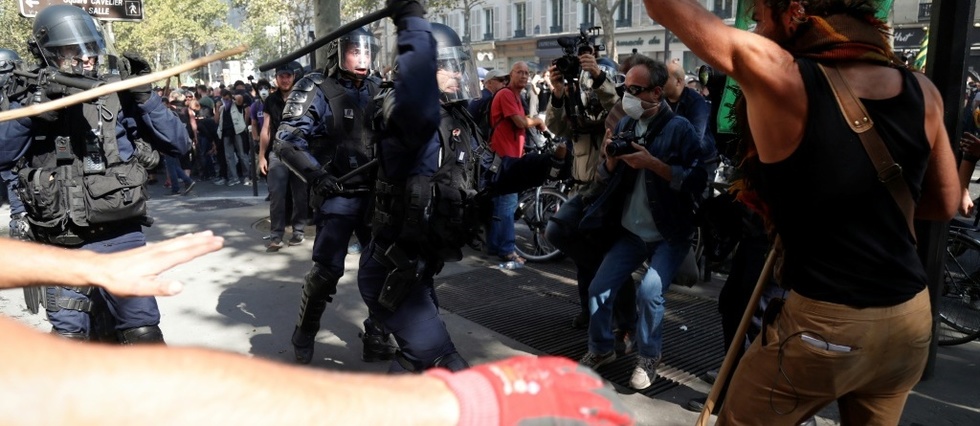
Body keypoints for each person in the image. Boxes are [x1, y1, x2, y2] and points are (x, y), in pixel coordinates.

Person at [643, 1, 960, 423]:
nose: (754, 28)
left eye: (757, 17)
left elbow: (661, 6)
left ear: (794, 12)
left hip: (826, 325)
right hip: (910, 320)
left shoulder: (784, 75)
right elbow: (944, 204)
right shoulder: (924, 90)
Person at [0, 229, 631, 425]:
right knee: (326, 275)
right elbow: (77, 385)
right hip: (341, 213)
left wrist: (83, 264)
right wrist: (441, 401)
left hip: (401, 237)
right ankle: (306, 336)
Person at [358, 12, 568, 373]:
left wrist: (550, 161)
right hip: (394, 269)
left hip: (420, 268)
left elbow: (494, 172)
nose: (458, 74)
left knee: (419, 361)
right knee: (446, 365)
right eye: (447, 66)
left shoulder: (459, 119)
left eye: (458, 66)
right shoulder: (402, 118)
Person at [0, 4, 191, 343]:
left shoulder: (116, 92)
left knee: (144, 334)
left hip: (120, 233)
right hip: (60, 242)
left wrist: (146, 99)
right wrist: (33, 111)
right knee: (71, 340)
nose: (86, 60)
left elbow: (179, 143)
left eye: (90, 50)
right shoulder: (29, 95)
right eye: (73, 53)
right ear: (48, 55)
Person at [576, 54, 706, 392]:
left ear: (657, 93)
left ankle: (649, 356)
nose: (627, 96)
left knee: (650, 293)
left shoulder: (679, 128)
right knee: (598, 289)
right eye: (624, 88)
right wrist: (608, 160)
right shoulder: (625, 125)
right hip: (631, 231)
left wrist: (655, 165)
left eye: (635, 89)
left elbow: (698, 179)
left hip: (668, 233)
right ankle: (602, 349)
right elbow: (605, 177)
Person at [274, 28, 396, 364]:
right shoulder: (313, 87)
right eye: (355, 51)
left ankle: (377, 334)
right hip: (337, 193)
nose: (363, 58)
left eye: (368, 51)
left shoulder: (379, 88)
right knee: (327, 271)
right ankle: (304, 331)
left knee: (387, 269)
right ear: (337, 54)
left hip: (376, 195)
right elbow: (286, 141)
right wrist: (316, 175)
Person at [543, 51, 622, 330]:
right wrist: (558, 93)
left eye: (593, 83)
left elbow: (616, 107)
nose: (587, 89)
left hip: (604, 190)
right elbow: (556, 126)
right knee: (581, 258)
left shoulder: (612, 105)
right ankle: (589, 310)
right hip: (580, 188)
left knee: (604, 254)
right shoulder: (575, 102)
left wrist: (598, 77)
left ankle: (612, 314)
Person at [487, 61, 548, 264]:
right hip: (505, 158)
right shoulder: (505, 94)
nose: (524, 76)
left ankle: (495, 245)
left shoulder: (515, 96)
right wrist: (538, 121)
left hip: (508, 156)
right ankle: (507, 250)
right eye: (519, 72)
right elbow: (520, 122)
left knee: (501, 204)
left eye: (526, 73)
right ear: (510, 75)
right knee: (507, 204)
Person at [259, 63, 308, 251]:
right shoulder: (270, 100)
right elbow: (266, 129)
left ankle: (298, 231)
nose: (285, 79)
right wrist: (261, 156)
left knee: (300, 194)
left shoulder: (303, 97)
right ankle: (276, 235)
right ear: (276, 78)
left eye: (288, 76)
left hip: (299, 151)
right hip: (277, 152)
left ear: (293, 77)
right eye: (281, 76)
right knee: (277, 194)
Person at [217, 91, 252, 186]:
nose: (225, 101)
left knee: (242, 154)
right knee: (229, 156)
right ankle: (234, 177)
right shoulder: (221, 108)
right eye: (223, 99)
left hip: (237, 131)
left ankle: (246, 176)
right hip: (226, 133)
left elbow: (240, 98)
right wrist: (216, 108)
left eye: (227, 99)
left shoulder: (237, 105)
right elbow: (216, 120)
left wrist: (233, 98)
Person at [466, 68, 507, 136]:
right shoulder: (488, 98)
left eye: (505, 80)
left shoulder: (482, 95)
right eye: (501, 80)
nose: (504, 83)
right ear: (490, 82)